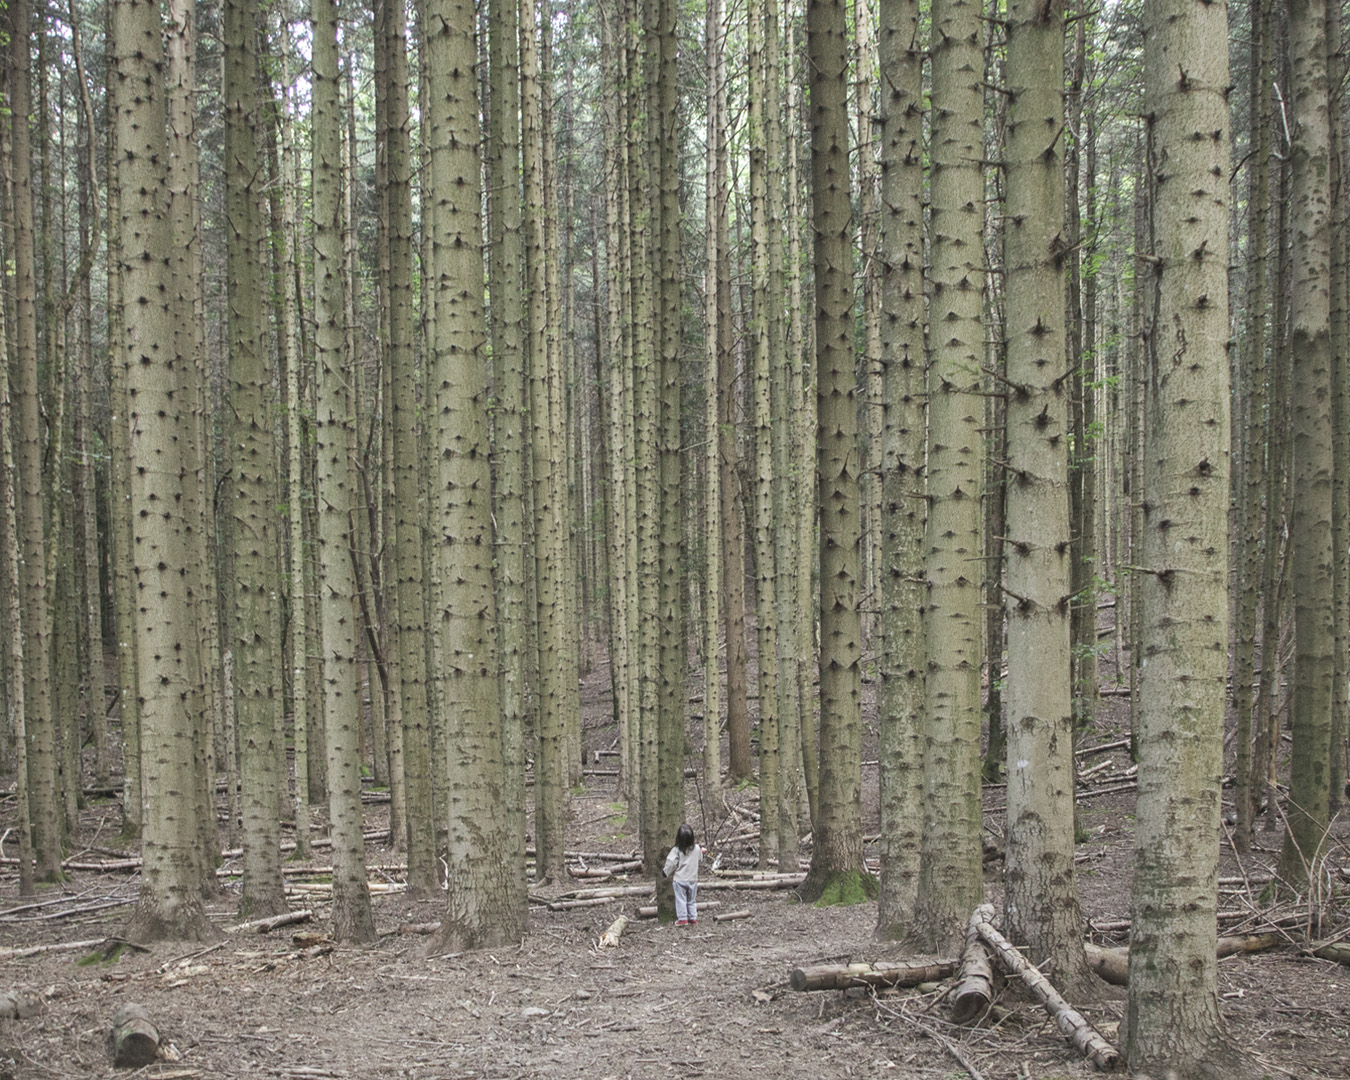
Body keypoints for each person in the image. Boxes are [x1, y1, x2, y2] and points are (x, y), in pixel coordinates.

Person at [661, 823, 701, 926]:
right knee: (691, 900)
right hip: (693, 879)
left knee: (681, 899)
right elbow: (700, 858)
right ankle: (693, 917)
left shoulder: (676, 850)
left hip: (680, 880)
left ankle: (683, 918)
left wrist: (665, 872)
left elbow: (671, 862)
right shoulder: (697, 848)